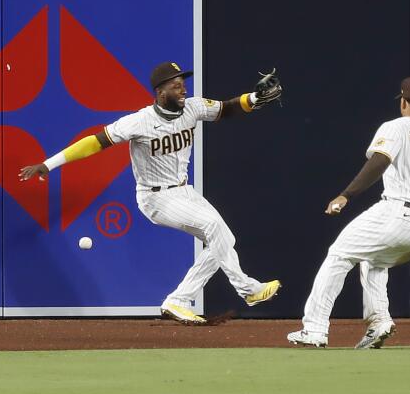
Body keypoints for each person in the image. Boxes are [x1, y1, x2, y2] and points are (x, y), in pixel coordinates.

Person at [19, 62, 284, 324]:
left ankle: (179, 300)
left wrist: (255, 98)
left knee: (224, 239)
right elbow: (95, 142)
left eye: (183, 85)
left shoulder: (192, 107)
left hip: (184, 191)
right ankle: (247, 289)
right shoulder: (140, 121)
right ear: (160, 92)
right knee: (215, 227)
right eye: (176, 86)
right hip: (155, 197)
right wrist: (48, 164)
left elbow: (226, 109)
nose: (182, 90)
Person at [287, 76, 410, 349]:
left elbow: (380, 161)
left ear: (403, 102)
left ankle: (314, 329)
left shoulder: (396, 126)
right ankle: (379, 321)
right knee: (374, 261)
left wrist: (346, 195)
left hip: (397, 212)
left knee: (339, 255)